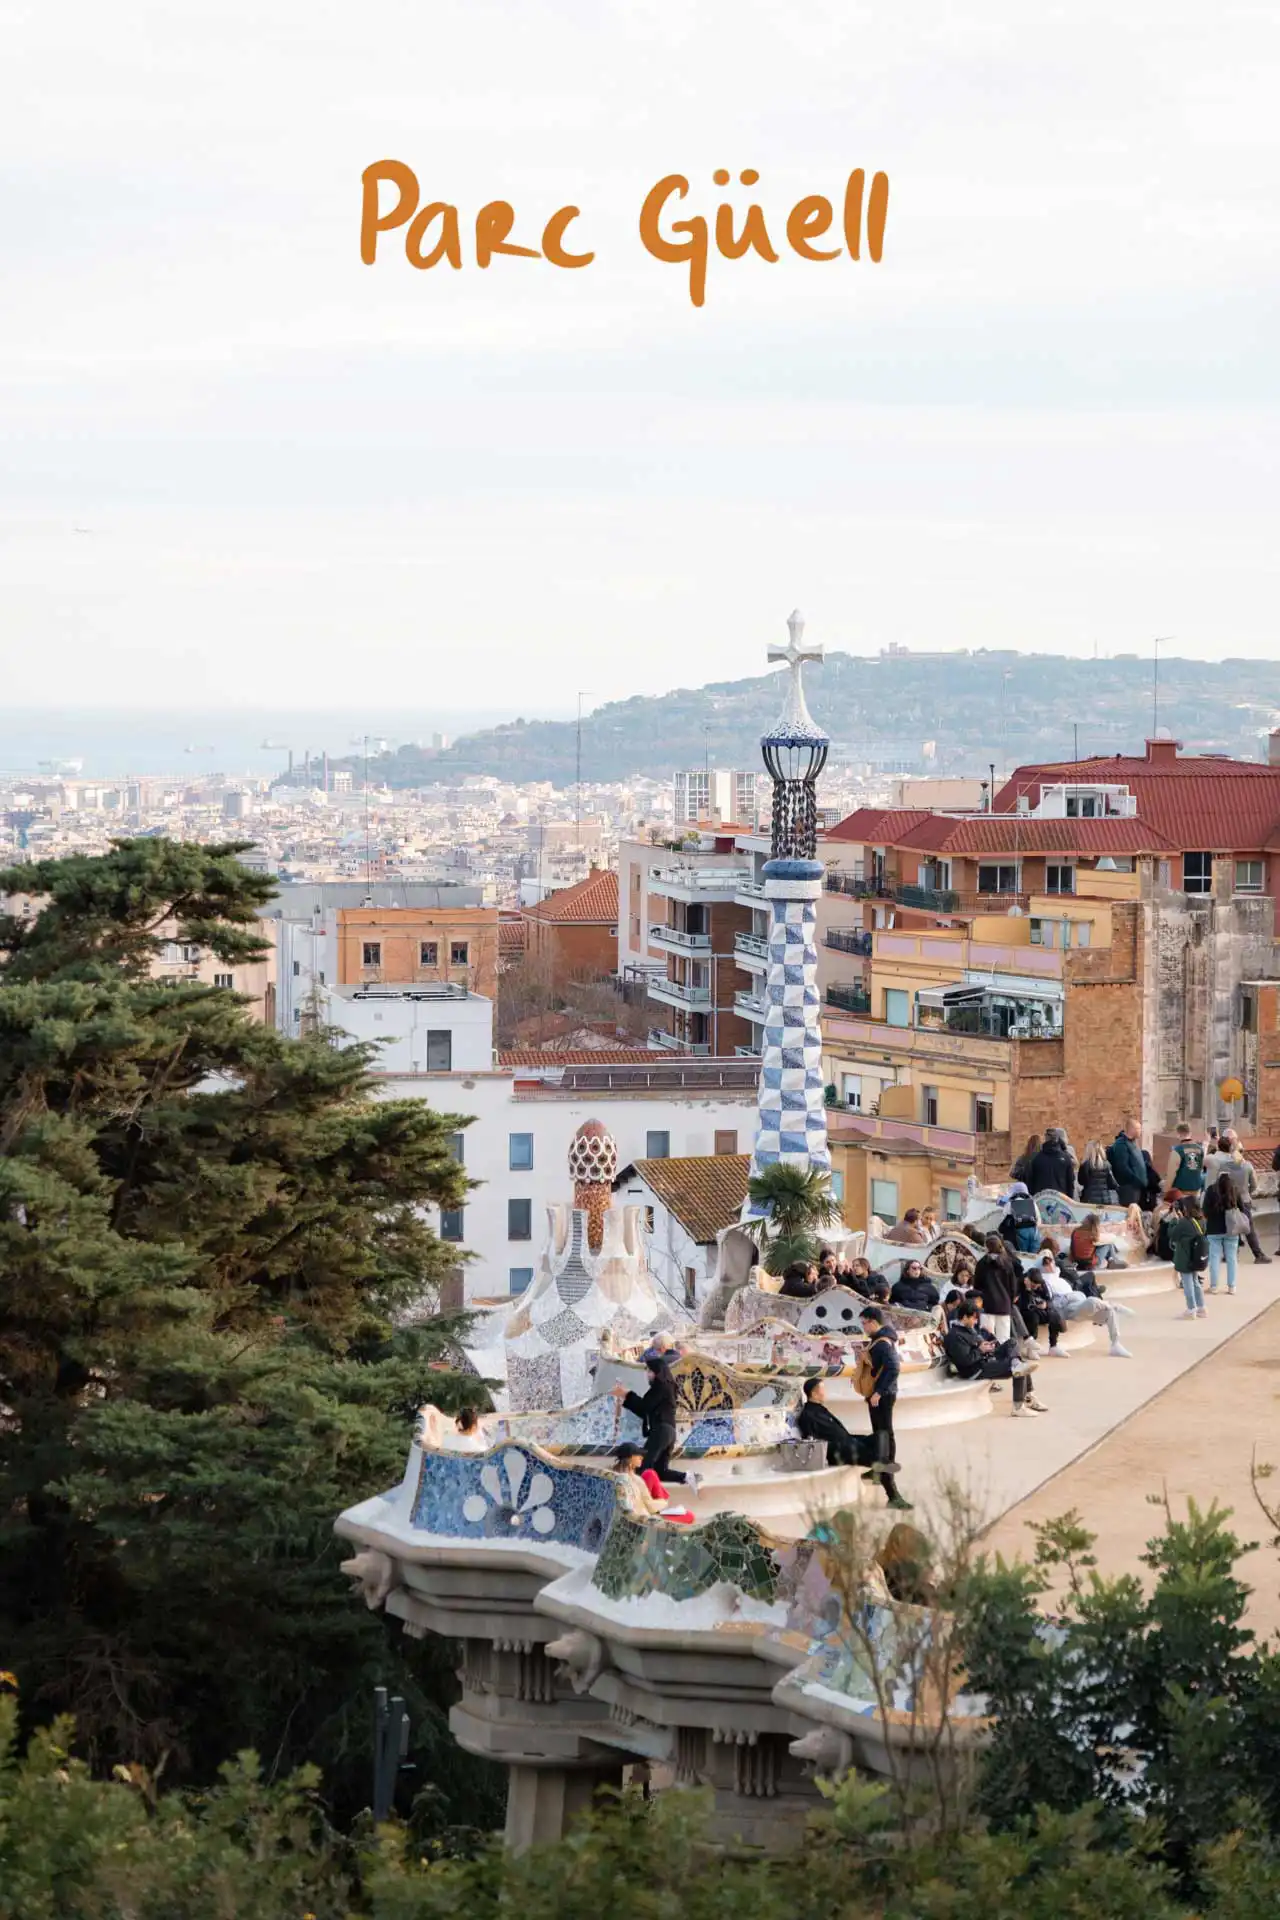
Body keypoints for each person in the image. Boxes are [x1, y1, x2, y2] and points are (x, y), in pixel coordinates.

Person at [943, 1302, 1045, 1414]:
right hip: (975, 1369)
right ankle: (1018, 1407)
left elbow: (976, 1344)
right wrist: (980, 1350)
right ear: (964, 1317)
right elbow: (965, 1361)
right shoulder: (955, 1336)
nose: (976, 1321)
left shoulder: (968, 1328)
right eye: (974, 1318)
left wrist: (987, 1346)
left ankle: (1028, 1394)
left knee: (1012, 1343)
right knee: (1019, 1366)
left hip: (984, 1359)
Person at [858, 1308, 912, 1510]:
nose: (863, 1327)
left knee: (884, 1436)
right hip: (878, 1395)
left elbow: (894, 1368)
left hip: (882, 1396)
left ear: (873, 1322)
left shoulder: (882, 1344)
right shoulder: (880, 1339)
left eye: (864, 1323)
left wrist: (879, 1392)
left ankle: (887, 1475)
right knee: (881, 1434)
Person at [615, 1356, 689, 1484]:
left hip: (661, 1431)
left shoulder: (661, 1387)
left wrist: (627, 1394)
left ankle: (639, 1497)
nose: (647, 1375)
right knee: (660, 1471)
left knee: (642, 1465)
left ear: (657, 1372)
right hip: (669, 1433)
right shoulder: (668, 1387)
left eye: (650, 1371)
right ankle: (687, 1477)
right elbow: (646, 1411)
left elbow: (644, 1406)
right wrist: (626, 1397)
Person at [1040, 1253, 1133, 1356]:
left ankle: (1115, 1345)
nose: (1050, 1266)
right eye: (1046, 1264)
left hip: (1079, 1300)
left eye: (1051, 1262)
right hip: (1069, 1307)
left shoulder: (1059, 1278)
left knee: (1109, 1313)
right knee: (1092, 1301)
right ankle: (1115, 1306)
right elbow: (1051, 1299)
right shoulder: (1045, 1281)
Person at [1206, 1130, 1270, 1264]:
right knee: (1248, 1227)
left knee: (1231, 1225)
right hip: (1244, 1199)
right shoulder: (1247, 1166)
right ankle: (1258, 1254)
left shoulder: (1223, 1166)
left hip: (1228, 1199)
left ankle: (1231, 1254)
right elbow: (1254, 1185)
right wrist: (1246, 1192)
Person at [796, 1376, 877, 1469]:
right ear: (814, 1394)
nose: (825, 1393)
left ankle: (880, 1469)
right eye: (823, 1390)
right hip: (839, 1450)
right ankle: (881, 1469)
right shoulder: (808, 1415)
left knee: (880, 1437)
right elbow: (813, 1441)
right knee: (872, 1452)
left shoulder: (820, 1409)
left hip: (847, 1441)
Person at [613, 1441, 694, 1523]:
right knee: (689, 1516)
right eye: (638, 1455)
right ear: (630, 1458)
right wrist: (664, 1503)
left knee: (650, 1474)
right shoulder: (635, 1480)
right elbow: (650, 1506)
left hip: (634, 1514)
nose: (641, 1457)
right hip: (644, 1517)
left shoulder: (614, 1475)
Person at [1166, 1195, 1209, 1318]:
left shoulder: (1184, 1222)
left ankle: (1191, 1309)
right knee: (1195, 1282)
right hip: (1196, 1256)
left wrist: (1174, 1220)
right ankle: (1201, 1307)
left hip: (1185, 1257)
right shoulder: (1202, 1220)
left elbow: (1172, 1235)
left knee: (1187, 1283)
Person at [1015, 1263, 1069, 1358]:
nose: (1035, 1288)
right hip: (1025, 1311)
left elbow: (1050, 1300)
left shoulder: (1043, 1284)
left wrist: (1046, 1304)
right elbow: (1023, 1305)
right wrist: (1028, 1290)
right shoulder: (1019, 1283)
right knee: (1033, 1317)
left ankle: (1053, 1346)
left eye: (1037, 1286)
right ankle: (1031, 1349)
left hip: (1040, 1309)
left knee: (1054, 1315)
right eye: (1033, 1286)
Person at [973, 1232, 1018, 1344]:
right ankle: (1006, 1358)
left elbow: (977, 1285)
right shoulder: (1007, 1263)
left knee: (987, 1337)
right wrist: (1010, 1301)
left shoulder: (982, 1263)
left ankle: (990, 1359)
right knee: (1004, 1338)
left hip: (987, 1305)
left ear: (987, 1247)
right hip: (1004, 1304)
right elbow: (1012, 1286)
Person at [1203, 1169, 1242, 1296]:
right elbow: (1242, 1208)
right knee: (1232, 1258)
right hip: (1232, 1229)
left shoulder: (1211, 1190)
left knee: (1214, 1257)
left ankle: (1214, 1286)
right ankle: (1232, 1286)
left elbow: (1205, 1210)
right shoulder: (1235, 1190)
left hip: (1214, 1229)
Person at [1107, 1119, 1148, 1208]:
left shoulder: (1132, 1143)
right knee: (1129, 1212)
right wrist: (1136, 1180)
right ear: (1132, 1129)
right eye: (1138, 1128)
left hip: (1135, 1187)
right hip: (1128, 1187)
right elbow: (1122, 1167)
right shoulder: (1121, 1145)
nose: (1140, 1131)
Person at [1165, 1121, 1206, 1200]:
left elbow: (1171, 1173)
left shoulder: (1177, 1150)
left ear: (1178, 1134)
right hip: (1196, 1188)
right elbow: (1200, 1168)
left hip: (1181, 1190)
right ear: (1190, 1133)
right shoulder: (1200, 1149)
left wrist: (1166, 1191)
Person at [1029, 1130, 1075, 1196]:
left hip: (1041, 1198)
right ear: (1057, 1139)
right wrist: (1069, 1199)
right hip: (1061, 1199)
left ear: (1045, 1138)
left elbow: (1030, 1181)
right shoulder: (1066, 1157)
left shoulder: (1036, 1158)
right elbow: (1070, 1182)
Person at [998, 1184, 1041, 1253]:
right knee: (1033, 1256)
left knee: (1023, 1257)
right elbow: (1039, 1220)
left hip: (1019, 1233)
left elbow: (1003, 1221)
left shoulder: (1009, 1204)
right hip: (1034, 1233)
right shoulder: (1032, 1203)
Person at [1078, 1140, 1120, 1206]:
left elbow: (1081, 1181)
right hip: (1105, 1198)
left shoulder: (1085, 1165)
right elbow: (1112, 1183)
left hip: (1089, 1199)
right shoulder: (1107, 1164)